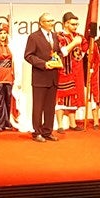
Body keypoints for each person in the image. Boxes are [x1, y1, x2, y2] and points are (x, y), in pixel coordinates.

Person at [26, 13, 64, 142]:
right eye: (48, 21)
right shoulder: (33, 37)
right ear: (41, 23)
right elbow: (28, 55)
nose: (51, 23)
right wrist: (44, 64)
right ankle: (37, 132)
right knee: (38, 107)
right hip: (40, 77)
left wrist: (58, 59)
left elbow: (57, 52)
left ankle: (48, 131)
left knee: (50, 107)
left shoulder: (54, 36)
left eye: (52, 20)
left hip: (53, 77)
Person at [55, 11, 88, 131]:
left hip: (76, 72)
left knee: (74, 98)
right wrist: (74, 43)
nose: (75, 27)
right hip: (64, 71)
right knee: (62, 98)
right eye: (73, 24)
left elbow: (84, 51)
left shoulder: (79, 36)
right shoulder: (59, 36)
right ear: (66, 24)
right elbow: (61, 52)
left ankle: (72, 124)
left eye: (76, 24)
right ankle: (60, 125)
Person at [0, 22, 18, 132]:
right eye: (1, 33)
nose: (3, 35)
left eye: (5, 33)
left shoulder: (11, 46)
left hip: (9, 75)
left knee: (8, 99)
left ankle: (8, 121)